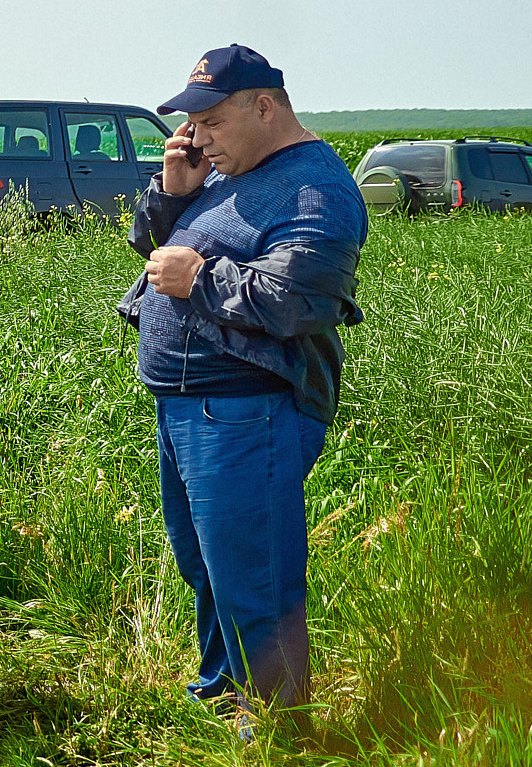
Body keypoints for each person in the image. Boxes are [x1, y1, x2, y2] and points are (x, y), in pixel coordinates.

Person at [117, 45, 366, 728]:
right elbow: (152, 244)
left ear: (265, 106)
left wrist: (200, 279)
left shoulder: (318, 190)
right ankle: (222, 691)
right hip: (188, 406)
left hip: (245, 410)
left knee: (253, 577)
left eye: (212, 122)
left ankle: (280, 729)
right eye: (190, 124)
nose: (198, 138)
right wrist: (172, 193)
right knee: (207, 566)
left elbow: (297, 300)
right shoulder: (228, 168)